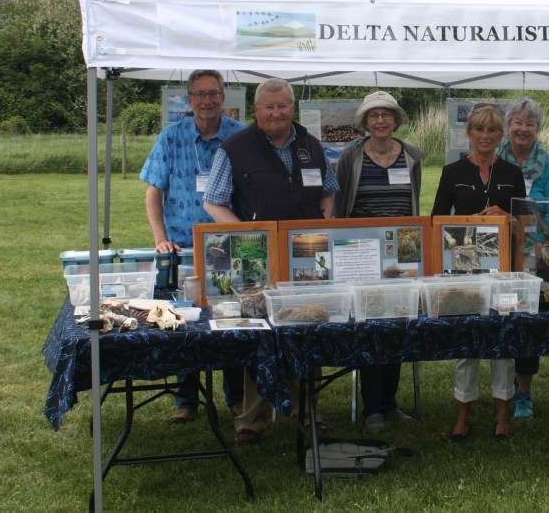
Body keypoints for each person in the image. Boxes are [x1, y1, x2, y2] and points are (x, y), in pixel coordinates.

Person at [203, 78, 339, 446]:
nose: (276, 113)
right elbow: (213, 202)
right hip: (255, 258)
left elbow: (328, 192)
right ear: (256, 110)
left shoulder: (311, 146)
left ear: (291, 107)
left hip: (307, 257)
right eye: (269, 107)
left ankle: (306, 412)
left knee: (306, 327)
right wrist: (249, 237)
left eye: (283, 106)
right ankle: (251, 420)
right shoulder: (234, 149)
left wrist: (323, 224)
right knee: (259, 333)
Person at [138, 69, 246, 424]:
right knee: (182, 323)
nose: (207, 100)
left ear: (223, 97)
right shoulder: (171, 138)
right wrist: (159, 238)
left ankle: (236, 398)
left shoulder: (240, 137)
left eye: (213, 93)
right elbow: (153, 192)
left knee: (229, 322)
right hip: (181, 249)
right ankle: (186, 400)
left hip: (227, 245)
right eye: (200, 94)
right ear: (189, 99)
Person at [431, 103, 526, 442]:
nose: (485, 136)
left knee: (504, 342)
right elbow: (436, 222)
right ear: (468, 133)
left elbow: (523, 228)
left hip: (505, 271)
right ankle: (463, 413)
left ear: (501, 136)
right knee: (467, 342)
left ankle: (503, 415)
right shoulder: (452, 171)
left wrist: (506, 218)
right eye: (479, 129)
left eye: (492, 130)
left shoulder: (513, 175)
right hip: (463, 269)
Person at [335, 90, 424, 431]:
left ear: (397, 119)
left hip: (403, 252)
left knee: (399, 326)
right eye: (374, 115)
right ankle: (372, 406)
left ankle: (390, 401)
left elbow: (413, 203)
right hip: (362, 253)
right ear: (365, 122)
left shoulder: (412, 157)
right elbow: (343, 203)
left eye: (387, 114)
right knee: (370, 327)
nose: (381, 120)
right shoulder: (351, 156)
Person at [496, 96, 549, 421]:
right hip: (496, 255)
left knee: (526, 325)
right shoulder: (492, 160)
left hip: (533, 258)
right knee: (497, 319)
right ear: (508, 125)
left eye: (530, 124)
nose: (523, 129)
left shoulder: (548, 166)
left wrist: (541, 249)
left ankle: (523, 391)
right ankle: (501, 386)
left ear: (538, 128)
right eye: (518, 122)